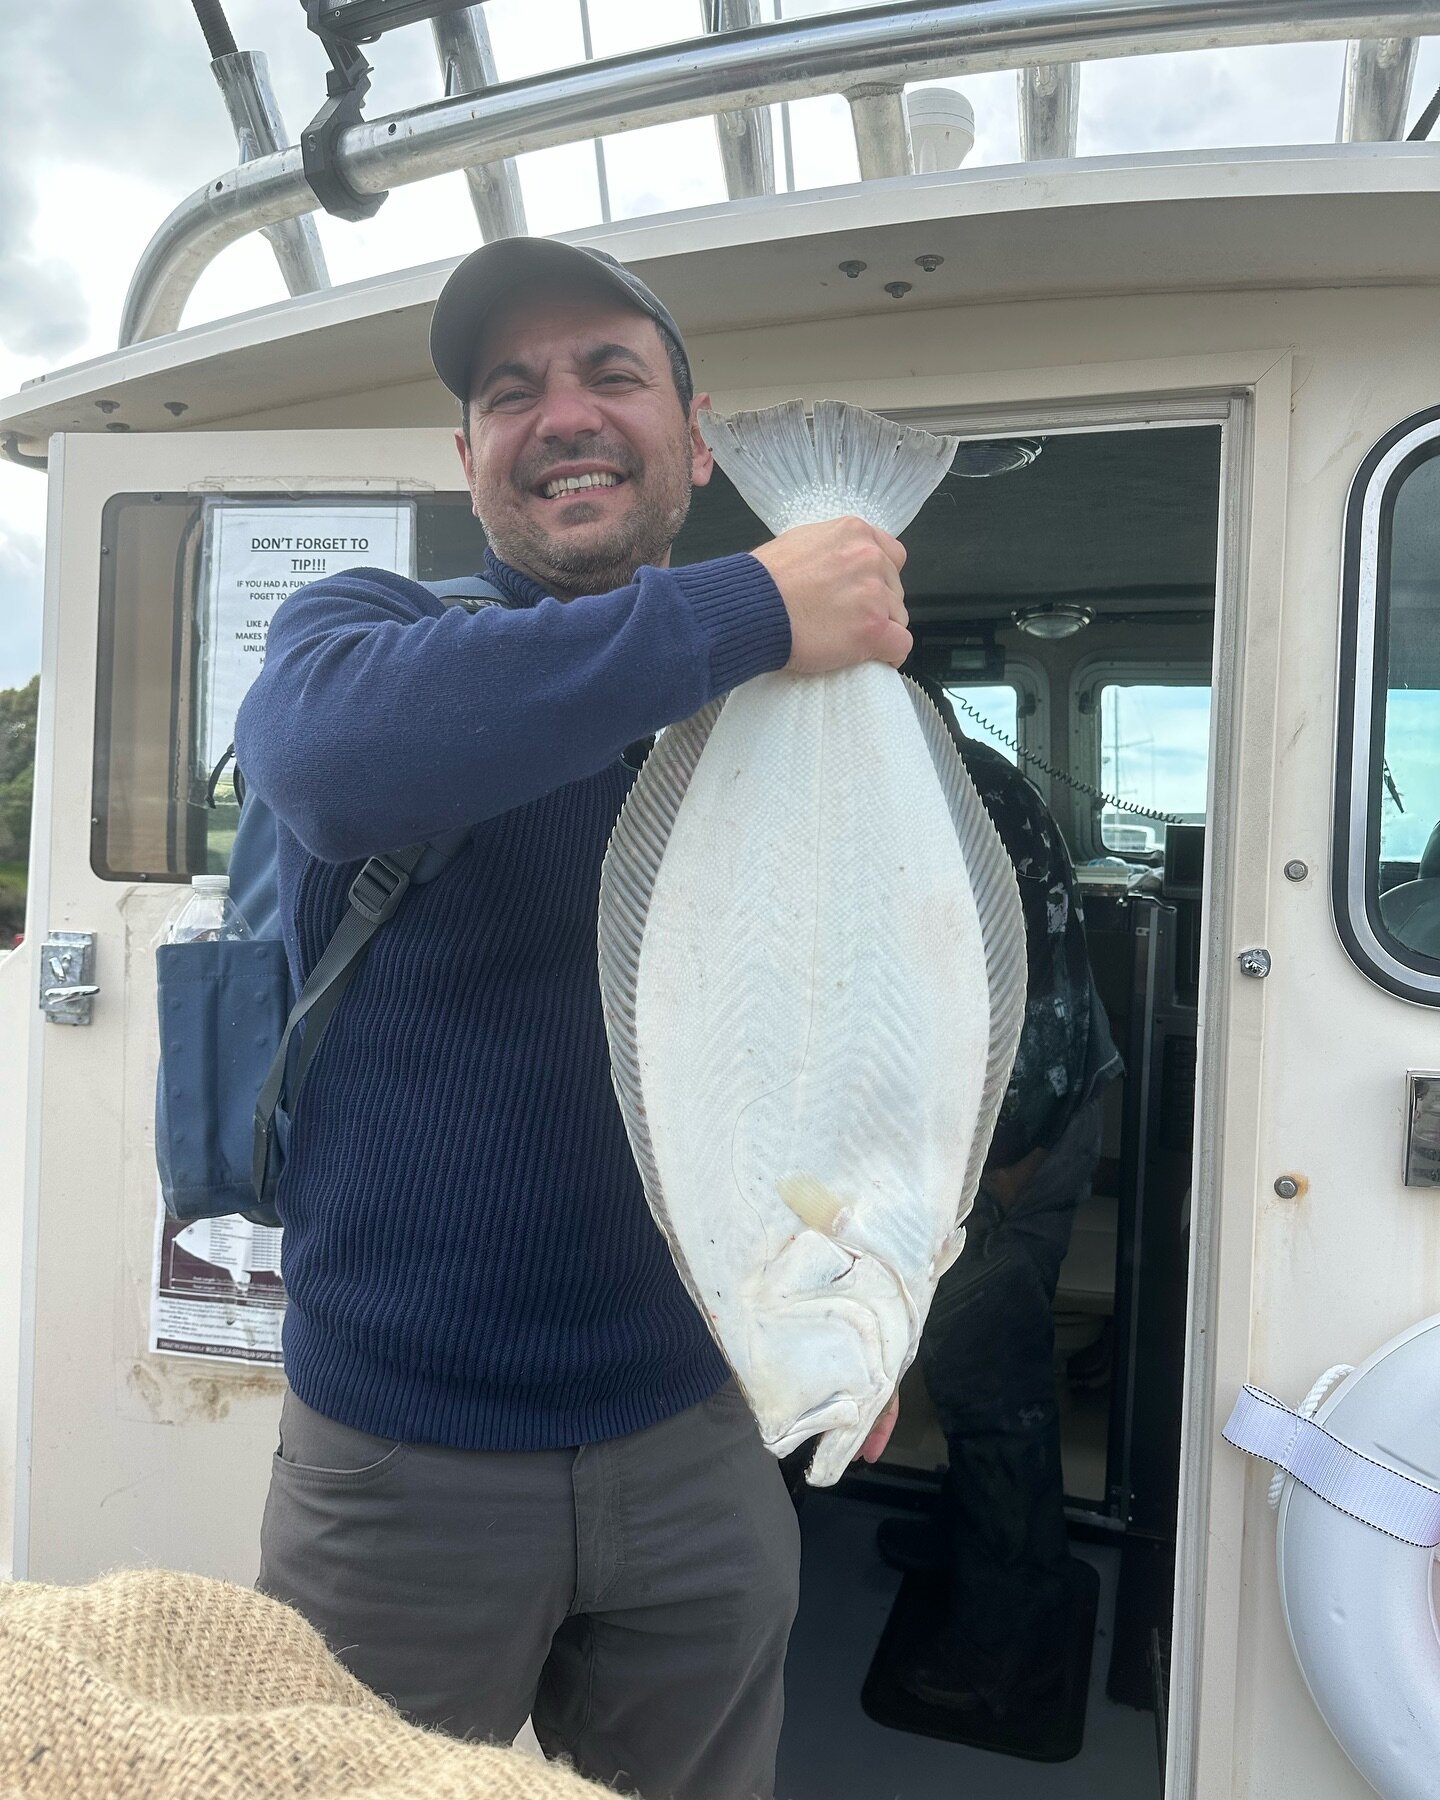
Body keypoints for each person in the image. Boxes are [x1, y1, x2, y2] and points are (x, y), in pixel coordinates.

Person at [235, 235, 909, 1800]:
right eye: (510, 390)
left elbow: (859, 1024)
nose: (563, 414)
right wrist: (757, 599)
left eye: (613, 374)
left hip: (701, 1431)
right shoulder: (361, 630)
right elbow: (333, 766)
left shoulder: (776, 707)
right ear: (465, 456)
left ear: (697, 431)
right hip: (403, 1460)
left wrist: (871, 1317)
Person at [877, 692, 1122, 1725]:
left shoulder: (953, 798)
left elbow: (1023, 994)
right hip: (1015, 1111)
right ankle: (964, 1533)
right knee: (975, 1368)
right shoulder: (954, 779)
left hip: (1014, 1126)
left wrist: (1000, 1161)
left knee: (992, 1385)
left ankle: (1004, 1650)